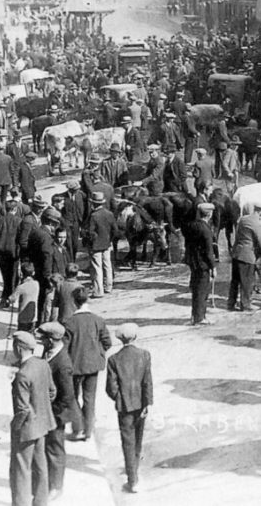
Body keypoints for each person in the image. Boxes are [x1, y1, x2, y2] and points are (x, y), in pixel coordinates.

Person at [9, 330, 56, 506]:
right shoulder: (42, 364)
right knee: (40, 467)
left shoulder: (22, 375)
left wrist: (16, 426)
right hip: (42, 424)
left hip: (27, 429)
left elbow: (22, 409)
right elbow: (52, 392)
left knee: (21, 471)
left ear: (19, 348)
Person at [106, 323, 154, 495]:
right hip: (141, 405)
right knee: (138, 440)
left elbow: (111, 388)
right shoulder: (144, 355)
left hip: (124, 407)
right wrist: (147, 403)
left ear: (120, 339)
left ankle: (132, 479)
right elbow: (147, 382)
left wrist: (120, 398)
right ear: (135, 337)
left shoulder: (113, 359)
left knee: (127, 441)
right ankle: (134, 471)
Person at [37, 322, 79, 500]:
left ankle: (56, 486)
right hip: (48, 411)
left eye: (44, 338)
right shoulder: (49, 352)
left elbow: (68, 396)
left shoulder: (62, 364)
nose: (41, 341)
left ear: (52, 340)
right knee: (49, 447)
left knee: (55, 449)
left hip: (56, 414)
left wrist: (54, 414)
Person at [64, 287, 112, 442]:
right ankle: (88, 430)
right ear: (87, 300)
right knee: (89, 398)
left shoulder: (69, 323)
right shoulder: (98, 320)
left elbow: (64, 347)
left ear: (74, 302)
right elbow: (107, 342)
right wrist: (97, 353)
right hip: (93, 366)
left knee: (73, 397)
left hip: (74, 365)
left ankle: (77, 429)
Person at [229, 204, 261, 312]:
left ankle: (231, 304)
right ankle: (246, 305)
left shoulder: (243, 219)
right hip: (247, 256)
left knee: (235, 281)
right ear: (260, 212)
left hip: (236, 253)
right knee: (247, 282)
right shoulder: (256, 223)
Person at [186, 202, 219, 323]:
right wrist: (213, 267)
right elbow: (209, 252)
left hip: (193, 262)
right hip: (203, 264)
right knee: (202, 291)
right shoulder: (206, 230)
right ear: (209, 214)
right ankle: (200, 318)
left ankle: (194, 315)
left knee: (195, 289)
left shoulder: (192, 225)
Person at [83, 191, 118, 298]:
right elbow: (115, 230)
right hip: (107, 243)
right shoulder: (109, 214)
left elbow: (90, 232)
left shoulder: (93, 216)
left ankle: (98, 291)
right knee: (107, 265)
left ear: (93, 203)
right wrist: (109, 239)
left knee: (97, 268)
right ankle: (109, 286)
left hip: (95, 246)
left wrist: (87, 239)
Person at [8, 262, 40, 333]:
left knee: (21, 335)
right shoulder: (36, 284)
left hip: (23, 317)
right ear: (33, 273)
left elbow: (12, 299)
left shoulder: (21, 287)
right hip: (33, 317)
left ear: (21, 274)